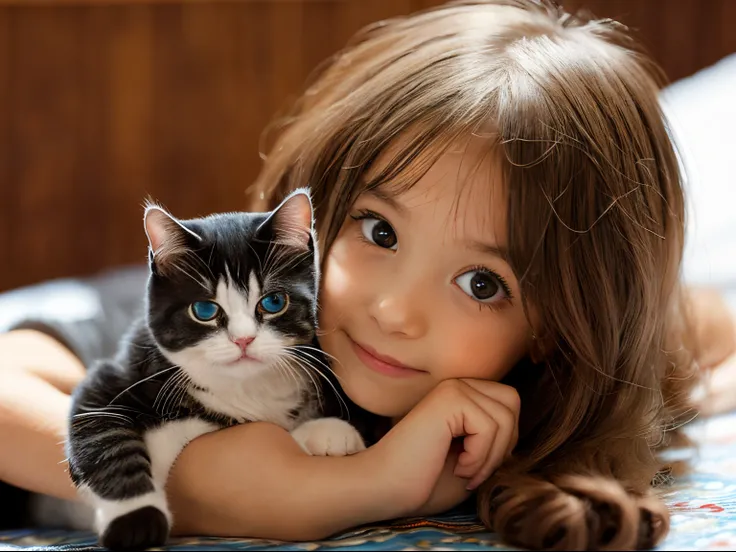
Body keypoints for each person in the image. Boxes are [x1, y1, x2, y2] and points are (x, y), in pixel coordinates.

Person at [1, 1, 735, 549]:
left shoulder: (585, 374)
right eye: (378, 231)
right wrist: (242, 486)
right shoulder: (240, 317)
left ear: (560, 331)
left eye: (482, 283)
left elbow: (684, 327)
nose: (392, 310)